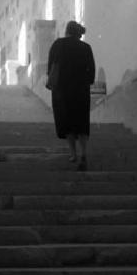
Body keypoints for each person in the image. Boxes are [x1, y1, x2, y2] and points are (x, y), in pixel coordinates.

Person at [47, 20, 95, 171]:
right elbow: (91, 72)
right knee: (81, 122)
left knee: (67, 122)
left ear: (67, 31)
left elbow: (50, 67)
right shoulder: (86, 47)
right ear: (79, 33)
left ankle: (73, 154)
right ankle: (84, 152)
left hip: (62, 90)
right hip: (81, 90)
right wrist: (84, 82)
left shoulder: (58, 44)